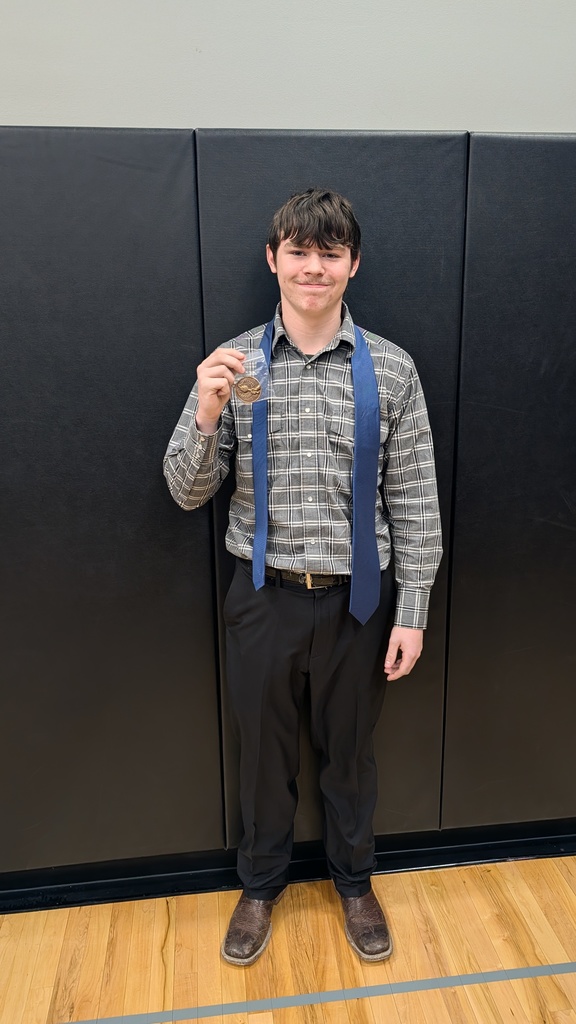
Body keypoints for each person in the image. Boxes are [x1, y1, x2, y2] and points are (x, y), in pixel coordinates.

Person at [163, 188, 442, 966]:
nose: (313, 267)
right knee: (262, 757)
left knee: (350, 754)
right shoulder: (233, 364)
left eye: (330, 253)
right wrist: (208, 413)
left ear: (353, 264)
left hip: (359, 602)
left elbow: (415, 500)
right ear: (273, 259)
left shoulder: (392, 368)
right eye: (298, 251)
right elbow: (185, 491)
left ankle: (355, 882)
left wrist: (412, 611)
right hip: (262, 598)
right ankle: (259, 887)